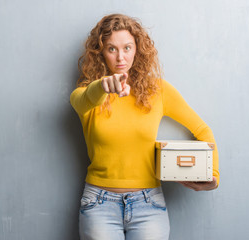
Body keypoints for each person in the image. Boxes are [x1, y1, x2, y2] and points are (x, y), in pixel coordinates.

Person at [69, 14, 220, 240]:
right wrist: (102, 86)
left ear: (137, 49)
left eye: (127, 47)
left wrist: (212, 176)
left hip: (148, 205)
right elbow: (85, 99)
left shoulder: (157, 91)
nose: (121, 57)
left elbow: (202, 130)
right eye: (111, 49)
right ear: (100, 53)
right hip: (99, 204)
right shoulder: (85, 94)